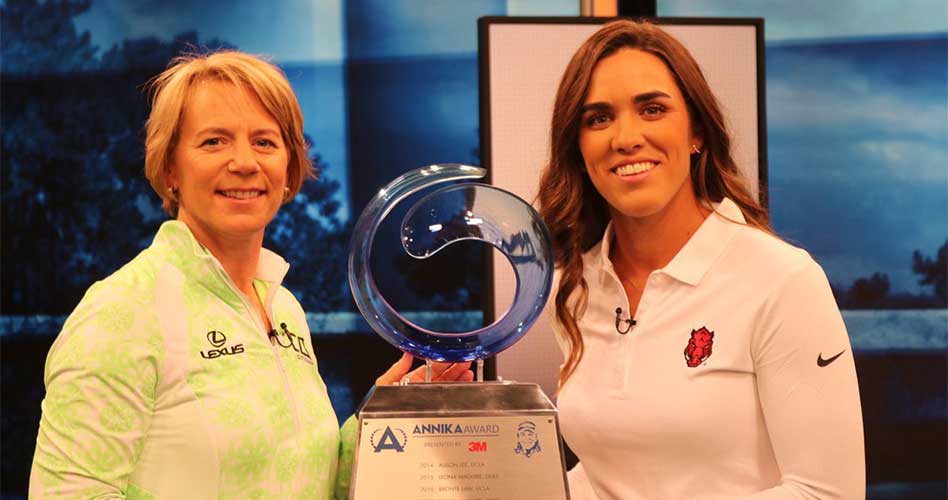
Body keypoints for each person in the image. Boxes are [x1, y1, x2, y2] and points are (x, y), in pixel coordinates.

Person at [29, 50, 472, 499]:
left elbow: (312, 484)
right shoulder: (122, 312)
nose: (244, 162)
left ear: (288, 170)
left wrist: (384, 416)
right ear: (170, 168)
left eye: (264, 142)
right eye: (214, 141)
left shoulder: (284, 309)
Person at [538, 20, 864, 499]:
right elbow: (608, 473)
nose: (626, 137)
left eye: (652, 109)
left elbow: (827, 493)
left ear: (697, 134)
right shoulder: (574, 287)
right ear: (578, 147)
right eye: (598, 118)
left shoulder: (783, 280)